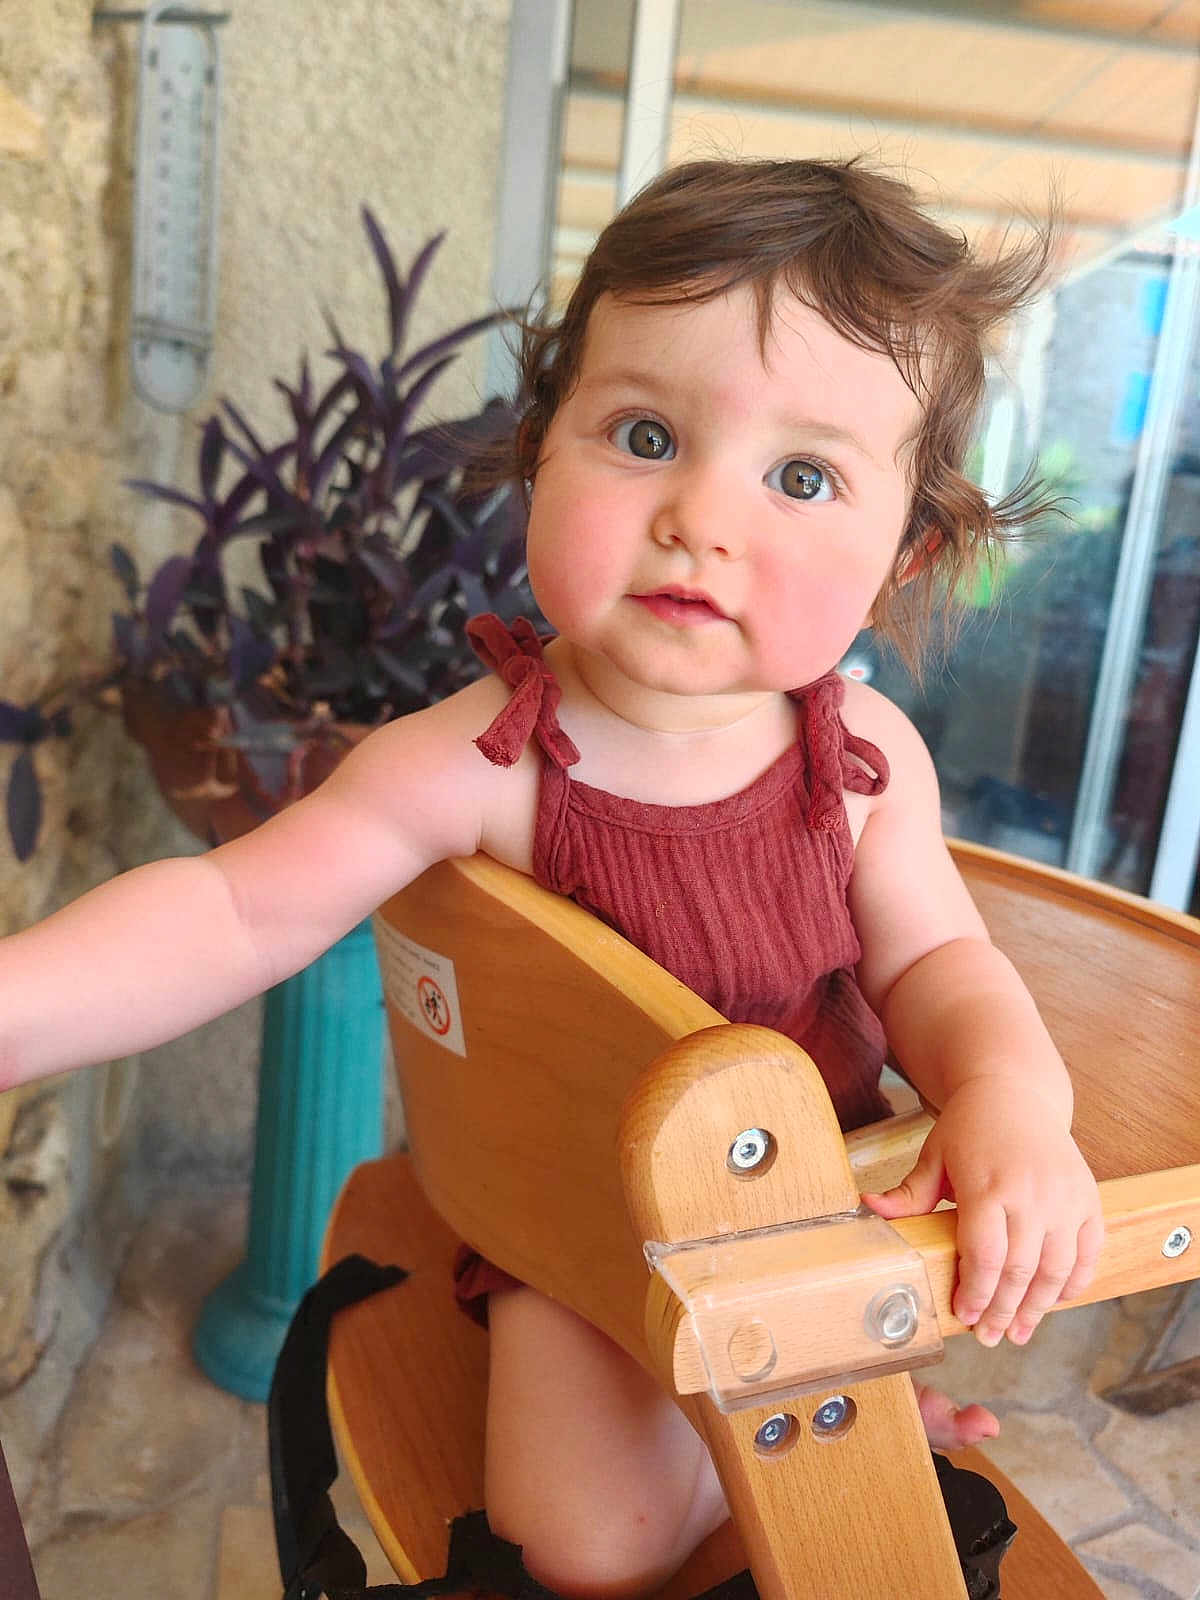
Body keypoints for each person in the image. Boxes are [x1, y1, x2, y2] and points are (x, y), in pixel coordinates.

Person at [1, 158, 1103, 1597]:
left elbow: (943, 970)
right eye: (645, 432)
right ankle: (788, 1444)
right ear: (541, 448)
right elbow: (232, 907)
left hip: (812, 1238)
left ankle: (844, 1426)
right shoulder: (479, 759)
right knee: (584, 1547)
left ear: (909, 552)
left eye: (803, 475)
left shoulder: (864, 763)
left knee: (838, 1508)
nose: (702, 516)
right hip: (578, 1243)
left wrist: (1013, 1099)